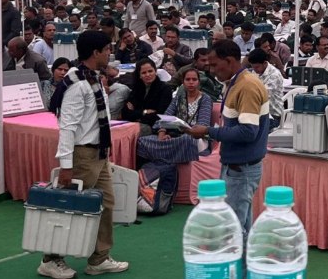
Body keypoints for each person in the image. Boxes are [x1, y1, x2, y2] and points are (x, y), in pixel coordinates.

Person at [44, 30, 129, 278]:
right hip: (82, 154)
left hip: (98, 153)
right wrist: (66, 165)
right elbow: (67, 126)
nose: (110, 53)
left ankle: (99, 258)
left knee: (106, 204)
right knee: (69, 208)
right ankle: (50, 259)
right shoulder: (77, 83)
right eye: (107, 49)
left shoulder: (91, 78)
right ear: (95, 52)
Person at [186, 40, 271, 241]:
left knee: (233, 230)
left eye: (215, 65)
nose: (211, 70)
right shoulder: (237, 83)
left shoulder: (247, 86)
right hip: (237, 166)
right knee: (241, 227)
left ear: (230, 61)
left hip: (242, 167)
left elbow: (248, 132)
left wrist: (208, 131)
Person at [137, 68, 214, 168]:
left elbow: (203, 125)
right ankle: (157, 167)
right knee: (143, 141)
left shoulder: (205, 99)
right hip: (176, 135)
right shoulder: (179, 98)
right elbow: (166, 116)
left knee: (187, 140)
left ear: (199, 82)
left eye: (194, 79)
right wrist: (162, 133)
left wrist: (187, 130)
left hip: (196, 138)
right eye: (188, 79)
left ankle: (166, 162)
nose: (191, 82)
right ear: (183, 82)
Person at [121, 58, 173, 136]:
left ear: (155, 71)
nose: (148, 75)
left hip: (152, 127)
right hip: (133, 123)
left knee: (124, 134)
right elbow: (125, 113)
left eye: (150, 71)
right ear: (139, 75)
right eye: (144, 73)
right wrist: (144, 112)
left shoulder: (165, 89)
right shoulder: (137, 88)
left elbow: (159, 115)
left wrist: (135, 113)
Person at [248, 49, 284, 130]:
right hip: (258, 113)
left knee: (251, 130)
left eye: (257, 67)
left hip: (274, 116)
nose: (255, 70)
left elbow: (262, 96)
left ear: (264, 63)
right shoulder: (255, 72)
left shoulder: (274, 75)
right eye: (252, 67)